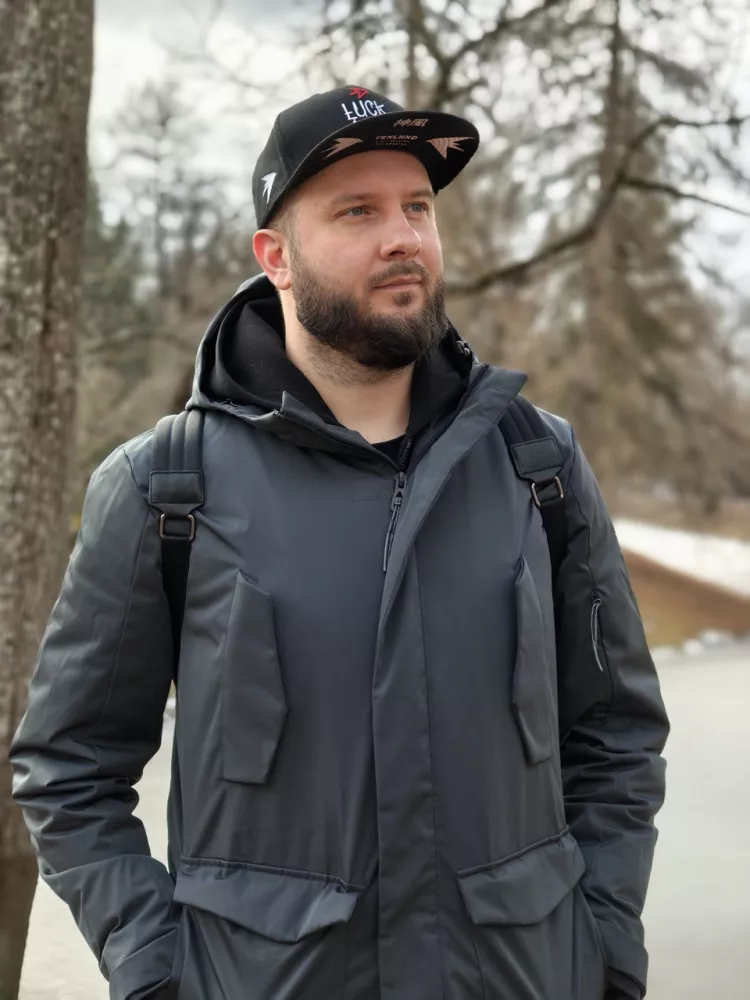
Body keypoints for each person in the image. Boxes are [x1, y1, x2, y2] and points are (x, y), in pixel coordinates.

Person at [10, 86, 669, 1000]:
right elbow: (68, 768)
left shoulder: (538, 465)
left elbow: (616, 734)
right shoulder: (165, 489)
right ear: (275, 257)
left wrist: (603, 948)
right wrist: (154, 969)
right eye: (358, 211)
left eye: (418, 207)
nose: (403, 237)